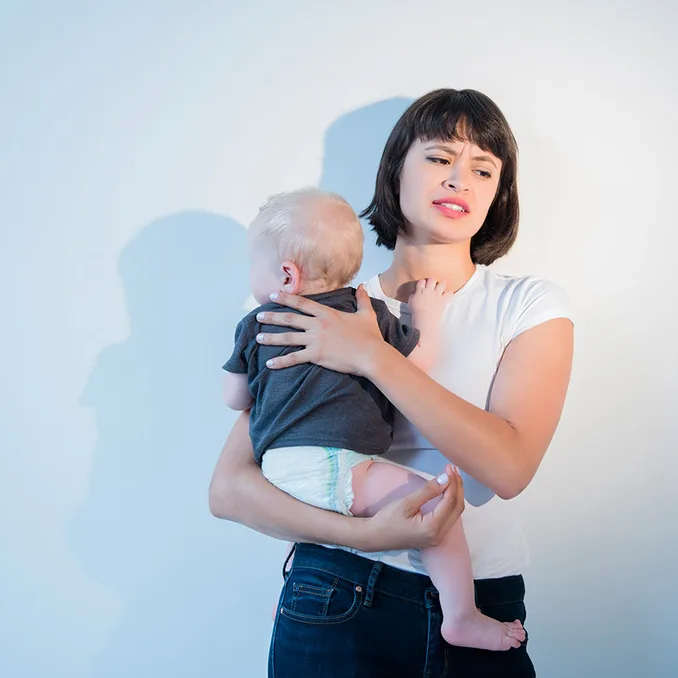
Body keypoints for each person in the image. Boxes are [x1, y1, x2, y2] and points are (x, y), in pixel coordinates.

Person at [209, 88, 575, 677]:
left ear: (498, 194)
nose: (460, 179)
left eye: (483, 169)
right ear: (394, 169)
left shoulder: (527, 305)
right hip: (336, 590)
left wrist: (375, 358)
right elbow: (229, 490)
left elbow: (508, 469)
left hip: (483, 601)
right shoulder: (319, 304)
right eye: (439, 158)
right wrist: (367, 536)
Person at [221, 187, 526, 651]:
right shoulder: (365, 313)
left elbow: (235, 397)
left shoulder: (257, 322)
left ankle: (296, 595)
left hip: (281, 470)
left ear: (286, 273)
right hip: (334, 465)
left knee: (330, 505)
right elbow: (414, 366)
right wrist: (425, 314)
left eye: (252, 264)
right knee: (435, 506)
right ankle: (461, 614)